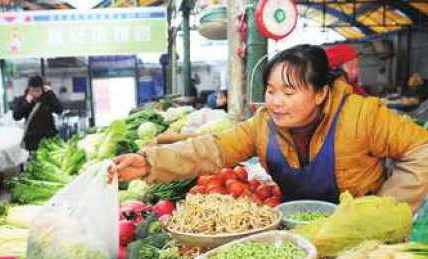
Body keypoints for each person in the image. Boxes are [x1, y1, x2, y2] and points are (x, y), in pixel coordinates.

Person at [113, 44, 428, 211]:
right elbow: (214, 149)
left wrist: (387, 208)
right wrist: (149, 162)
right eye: (271, 90)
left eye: (289, 93)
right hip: (299, 231)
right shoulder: (263, 125)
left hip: (363, 240)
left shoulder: (362, 115)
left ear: (321, 93)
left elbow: (421, 149)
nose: (276, 102)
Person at [13, 76, 63, 151]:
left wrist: (51, 94)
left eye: (38, 90)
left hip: (48, 139)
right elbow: (16, 116)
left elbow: (59, 110)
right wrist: (26, 103)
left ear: (43, 89)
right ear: (29, 89)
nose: (36, 93)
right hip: (32, 141)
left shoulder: (48, 98)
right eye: (33, 90)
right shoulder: (23, 99)